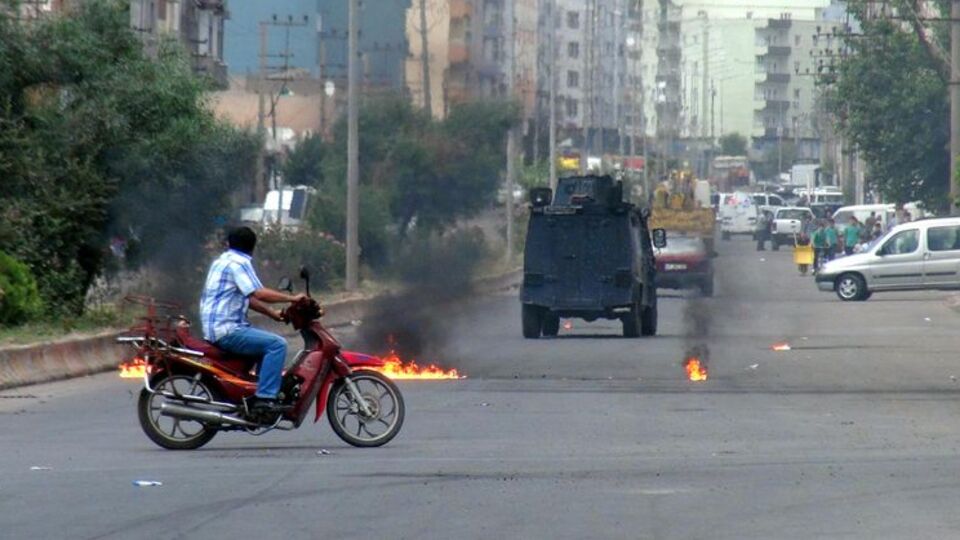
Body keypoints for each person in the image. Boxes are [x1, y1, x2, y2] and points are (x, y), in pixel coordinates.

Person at [199, 226, 305, 415]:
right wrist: (292, 298)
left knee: (265, 343)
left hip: (216, 328)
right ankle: (264, 398)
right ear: (252, 247)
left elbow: (246, 297)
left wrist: (271, 314)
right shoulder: (239, 263)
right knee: (277, 344)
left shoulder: (222, 261)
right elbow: (258, 293)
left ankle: (257, 392)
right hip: (227, 331)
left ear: (228, 244)